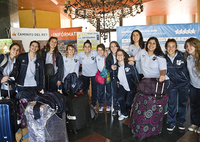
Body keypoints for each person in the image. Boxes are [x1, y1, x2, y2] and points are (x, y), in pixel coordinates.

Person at [164, 39, 190, 131]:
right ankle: (171, 122)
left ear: (176, 47)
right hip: (171, 85)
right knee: (172, 103)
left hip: (184, 84)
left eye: (173, 46)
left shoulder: (183, 56)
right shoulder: (164, 58)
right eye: (169, 46)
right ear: (166, 47)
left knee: (183, 103)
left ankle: (181, 122)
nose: (171, 48)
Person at [112, 49, 139, 120]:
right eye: (118, 54)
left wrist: (137, 86)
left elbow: (136, 75)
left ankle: (134, 113)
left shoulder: (129, 64)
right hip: (122, 86)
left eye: (121, 54)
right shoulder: (115, 66)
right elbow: (115, 76)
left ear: (124, 56)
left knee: (128, 103)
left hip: (131, 86)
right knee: (120, 98)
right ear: (116, 57)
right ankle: (124, 114)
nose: (119, 56)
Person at [184, 37, 200, 134]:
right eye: (186, 46)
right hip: (193, 86)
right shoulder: (188, 57)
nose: (188, 47)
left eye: (190, 45)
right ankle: (195, 123)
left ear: (196, 45)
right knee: (194, 105)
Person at [77, 40, 98, 108]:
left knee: (94, 89)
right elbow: (73, 56)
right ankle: (85, 103)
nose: (87, 48)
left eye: (88, 46)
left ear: (91, 47)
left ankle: (94, 103)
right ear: (83, 47)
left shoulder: (94, 53)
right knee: (85, 89)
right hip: (85, 74)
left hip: (94, 74)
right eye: (85, 46)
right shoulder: (80, 54)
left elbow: (103, 53)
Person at [106, 41, 120, 116]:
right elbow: (107, 67)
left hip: (122, 77)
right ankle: (115, 108)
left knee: (121, 93)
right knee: (114, 92)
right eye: (111, 46)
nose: (113, 48)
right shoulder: (109, 57)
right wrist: (110, 68)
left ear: (117, 47)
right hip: (114, 77)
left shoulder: (121, 54)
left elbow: (127, 60)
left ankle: (122, 106)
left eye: (115, 46)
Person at [96, 43, 111, 112]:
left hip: (108, 76)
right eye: (98, 50)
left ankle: (108, 104)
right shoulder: (96, 57)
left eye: (101, 50)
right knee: (101, 91)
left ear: (104, 50)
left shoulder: (108, 56)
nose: (100, 52)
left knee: (108, 91)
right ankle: (101, 105)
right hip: (101, 76)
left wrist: (107, 54)